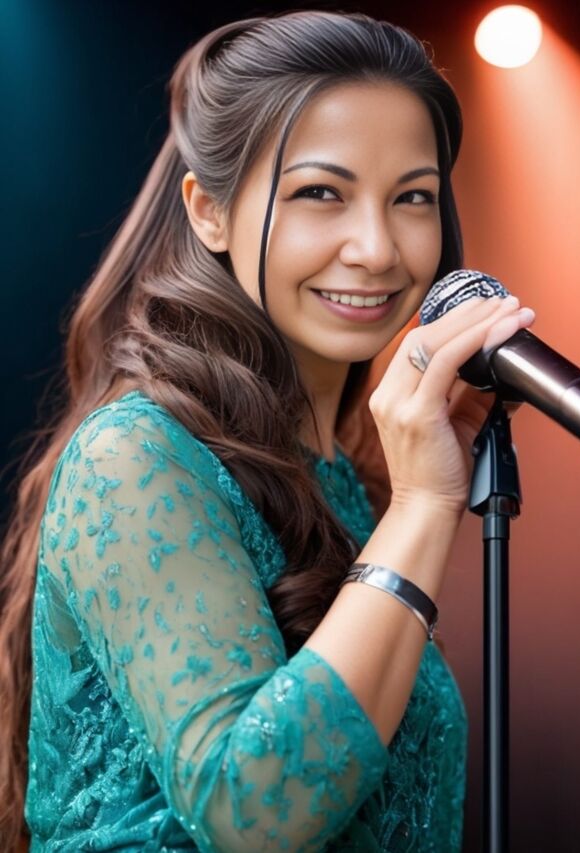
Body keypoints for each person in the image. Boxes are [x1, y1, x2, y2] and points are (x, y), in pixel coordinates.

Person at [0, 9, 536, 852]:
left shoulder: (343, 481)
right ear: (209, 211)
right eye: (321, 192)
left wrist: (422, 489)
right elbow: (250, 808)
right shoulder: (133, 456)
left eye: (413, 197)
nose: (377, 248)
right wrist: (426, 505)